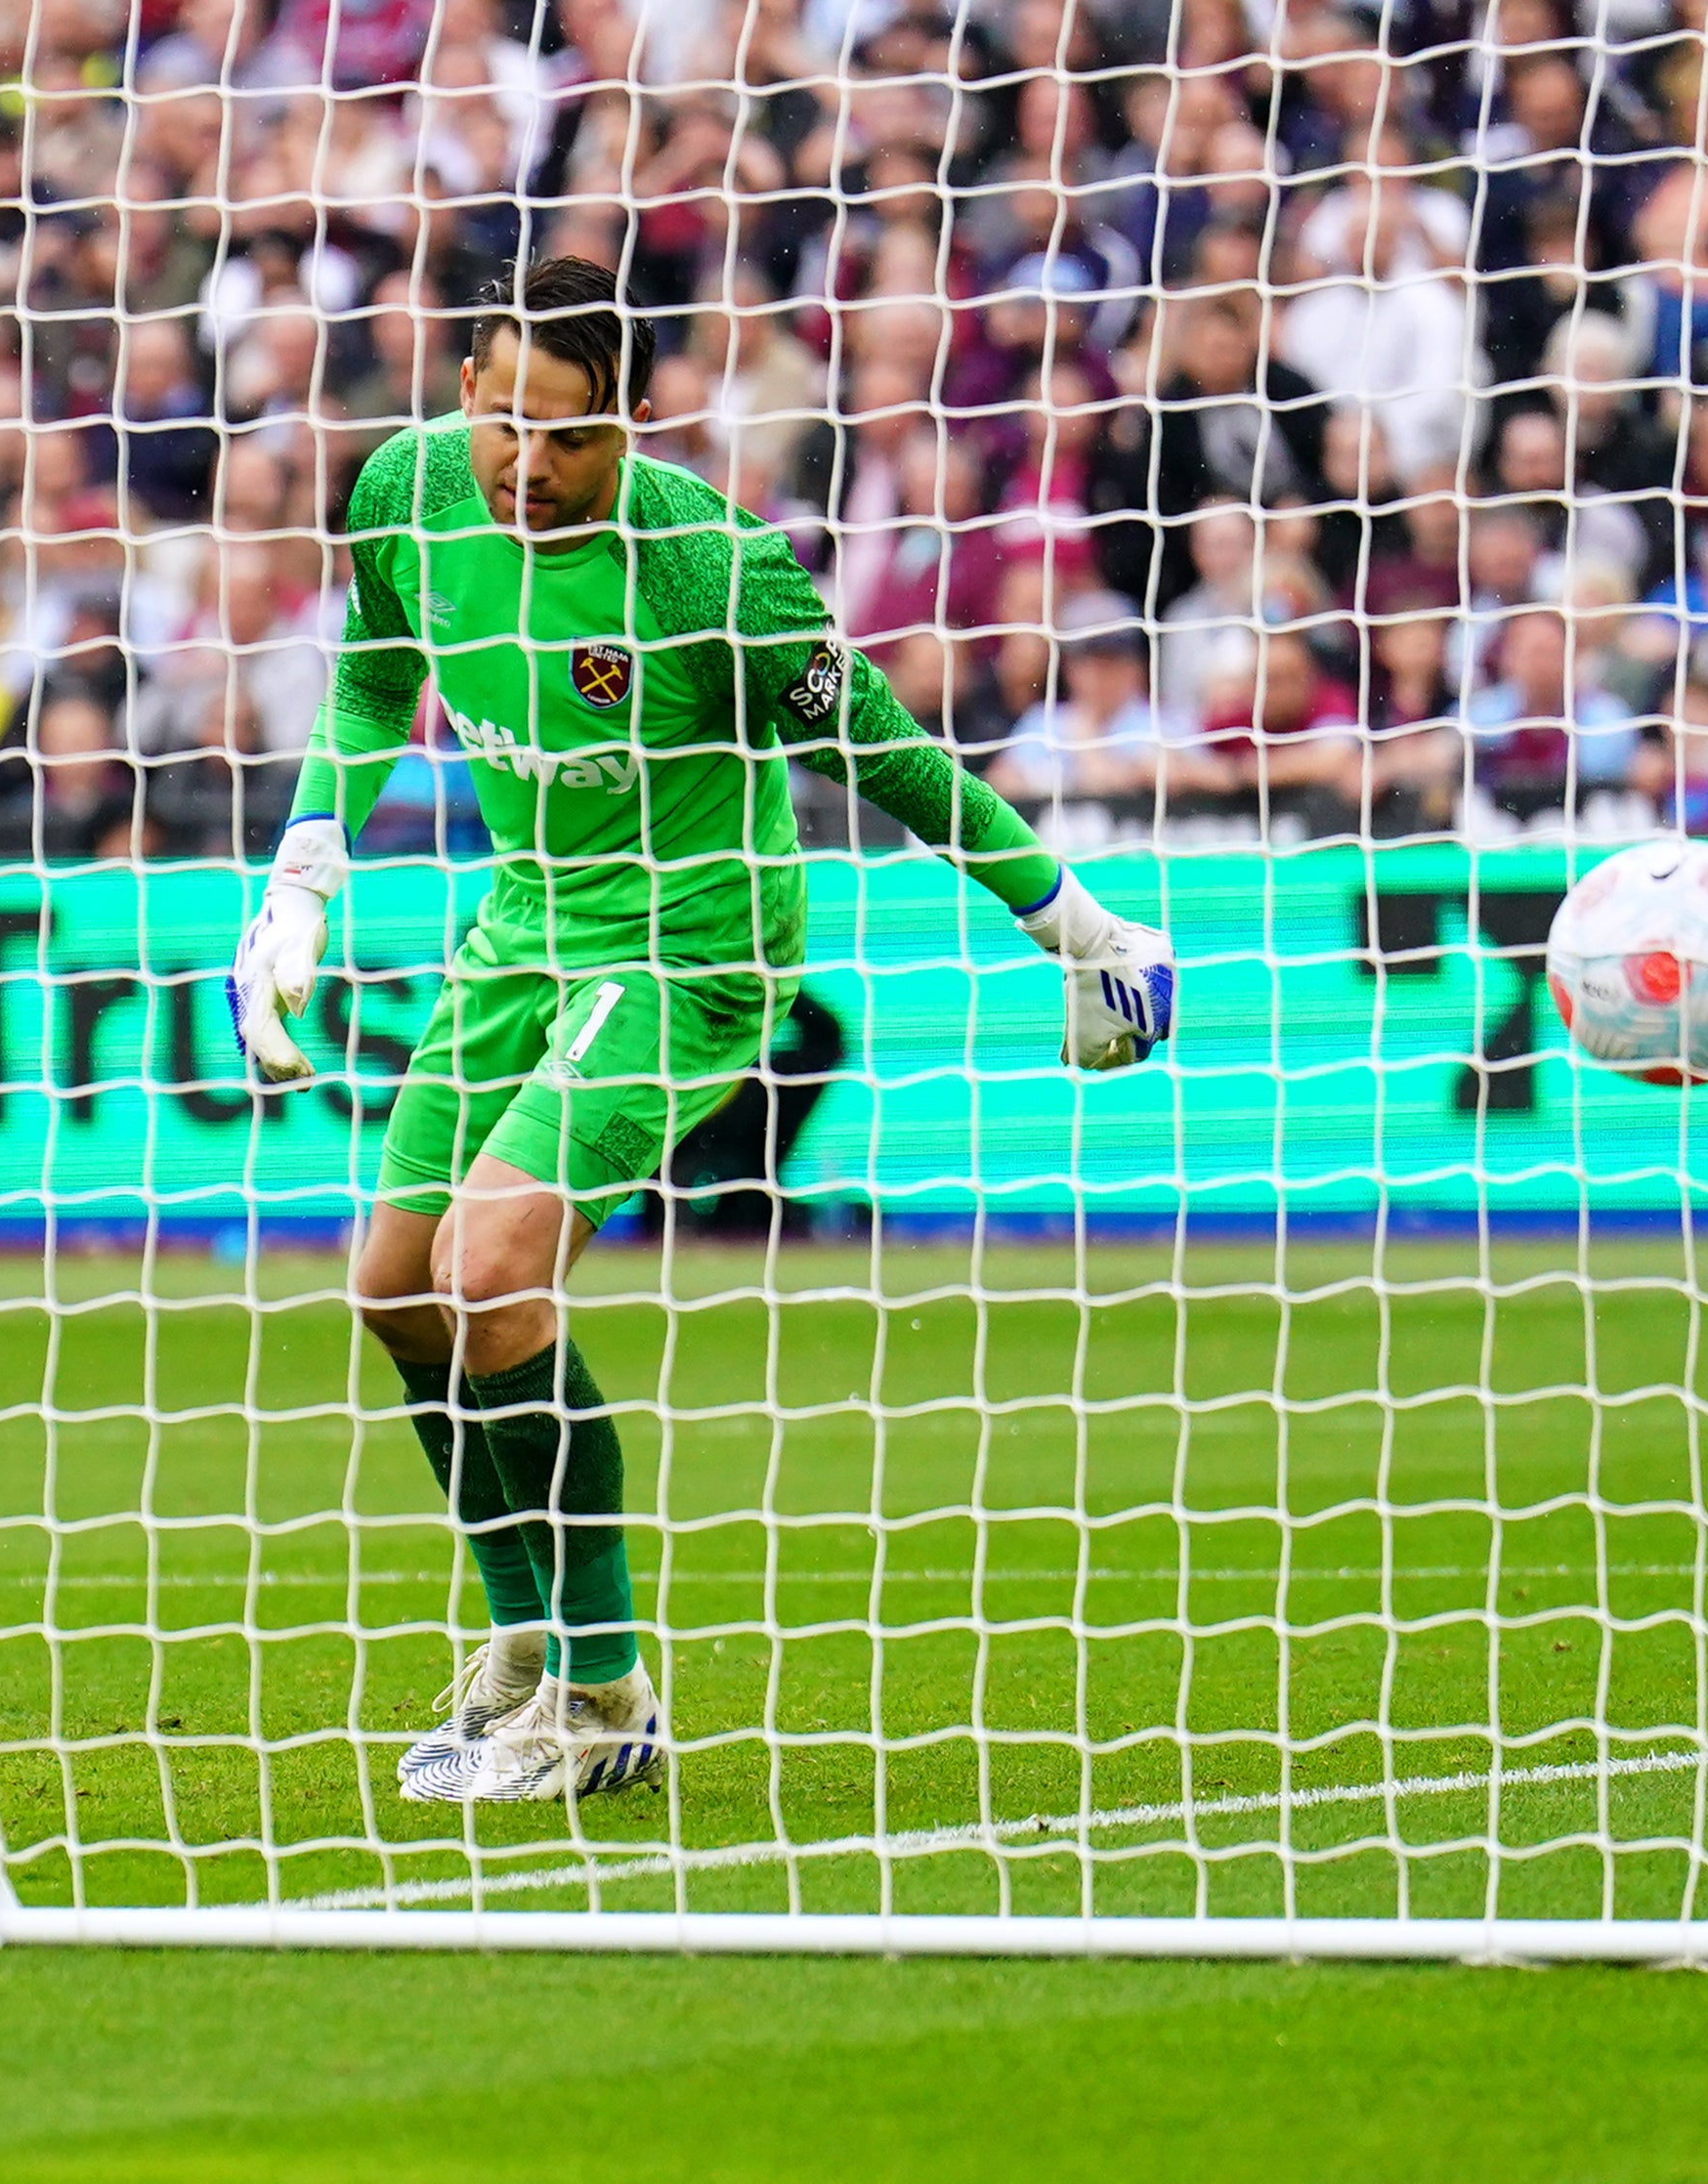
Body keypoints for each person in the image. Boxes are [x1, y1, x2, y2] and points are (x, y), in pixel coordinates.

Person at [227, 256, 1178, 1806]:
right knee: (395, 1295)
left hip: (694, 948)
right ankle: (526, 1644)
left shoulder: (708, 569)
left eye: (574, 440)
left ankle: (608, 1690)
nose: (531, 472)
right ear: (467, 387)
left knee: (492, 1269)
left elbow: (884, 750)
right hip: (523, 929)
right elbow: (373, 683)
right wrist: (304, 883)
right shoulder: (407, 487)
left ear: (639, 421)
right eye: (509, 427)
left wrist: (1074, 925)